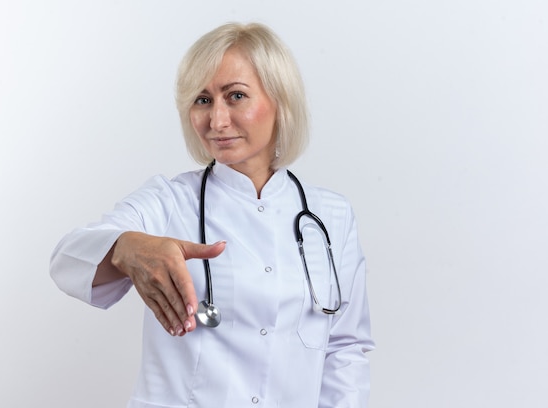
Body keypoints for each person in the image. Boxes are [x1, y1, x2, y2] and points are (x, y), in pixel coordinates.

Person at [50, 22, 374, 408]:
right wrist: (127, 246)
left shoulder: (331, 216)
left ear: (281, 101)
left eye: (235, 96)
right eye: (202, 100)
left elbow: (344, 348)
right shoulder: (170, 201)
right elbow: (66, 260)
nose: (217, 121)